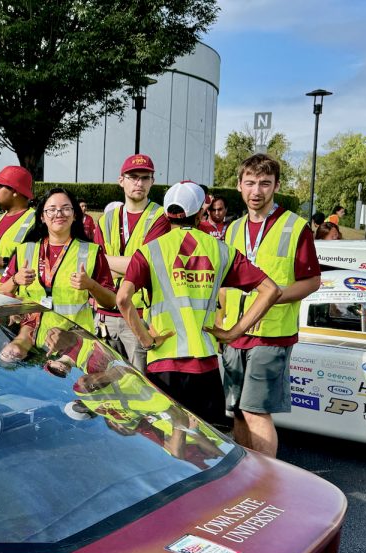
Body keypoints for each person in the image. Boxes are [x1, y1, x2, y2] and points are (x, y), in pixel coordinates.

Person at [115, 180, 280, 426]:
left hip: (164, 362)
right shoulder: (221, 250)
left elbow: (122, 298)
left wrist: (146, 339)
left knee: (167, 439)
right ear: (200, 212)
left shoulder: (149, 251)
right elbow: (271, 290)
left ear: (167, 212)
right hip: (205, 363)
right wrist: (233, 332)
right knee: (207, 446)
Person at [221, 153, 321, 457]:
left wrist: (273, 295)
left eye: (265, 183)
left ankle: (266, 484)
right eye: (250, 183)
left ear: (276, 185)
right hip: (234, 333)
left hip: (271, 334)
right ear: (239, 185)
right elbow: (225, 283)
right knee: (237, 410)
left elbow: (312, 281)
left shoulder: (295, 227)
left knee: (256, 411)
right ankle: (243, 475)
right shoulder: (232, 229)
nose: (257, 191)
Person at [0, 187, 117, 346]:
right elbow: (0, 293)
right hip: (29, 346)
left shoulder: (91, 252)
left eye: (66, 209)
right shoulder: (24, 250)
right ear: (42, 216)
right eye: (52, 209)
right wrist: (15, 280)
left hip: (72, 347)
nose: (59, 213)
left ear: (75, 215)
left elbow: (111, 302)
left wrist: (91, 285)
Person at [93, 154, 171, 371]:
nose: (139, 183)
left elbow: (146, 267)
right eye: (133, 177)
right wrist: (128, 266)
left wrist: (106, 262)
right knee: (106, 387)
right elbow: (97, 270)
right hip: (105, 315)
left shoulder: (160, 218)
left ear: (152, 181)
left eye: (145, 177)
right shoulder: (106, 219)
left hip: (139, 315)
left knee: (141, 388)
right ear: (121, 180)